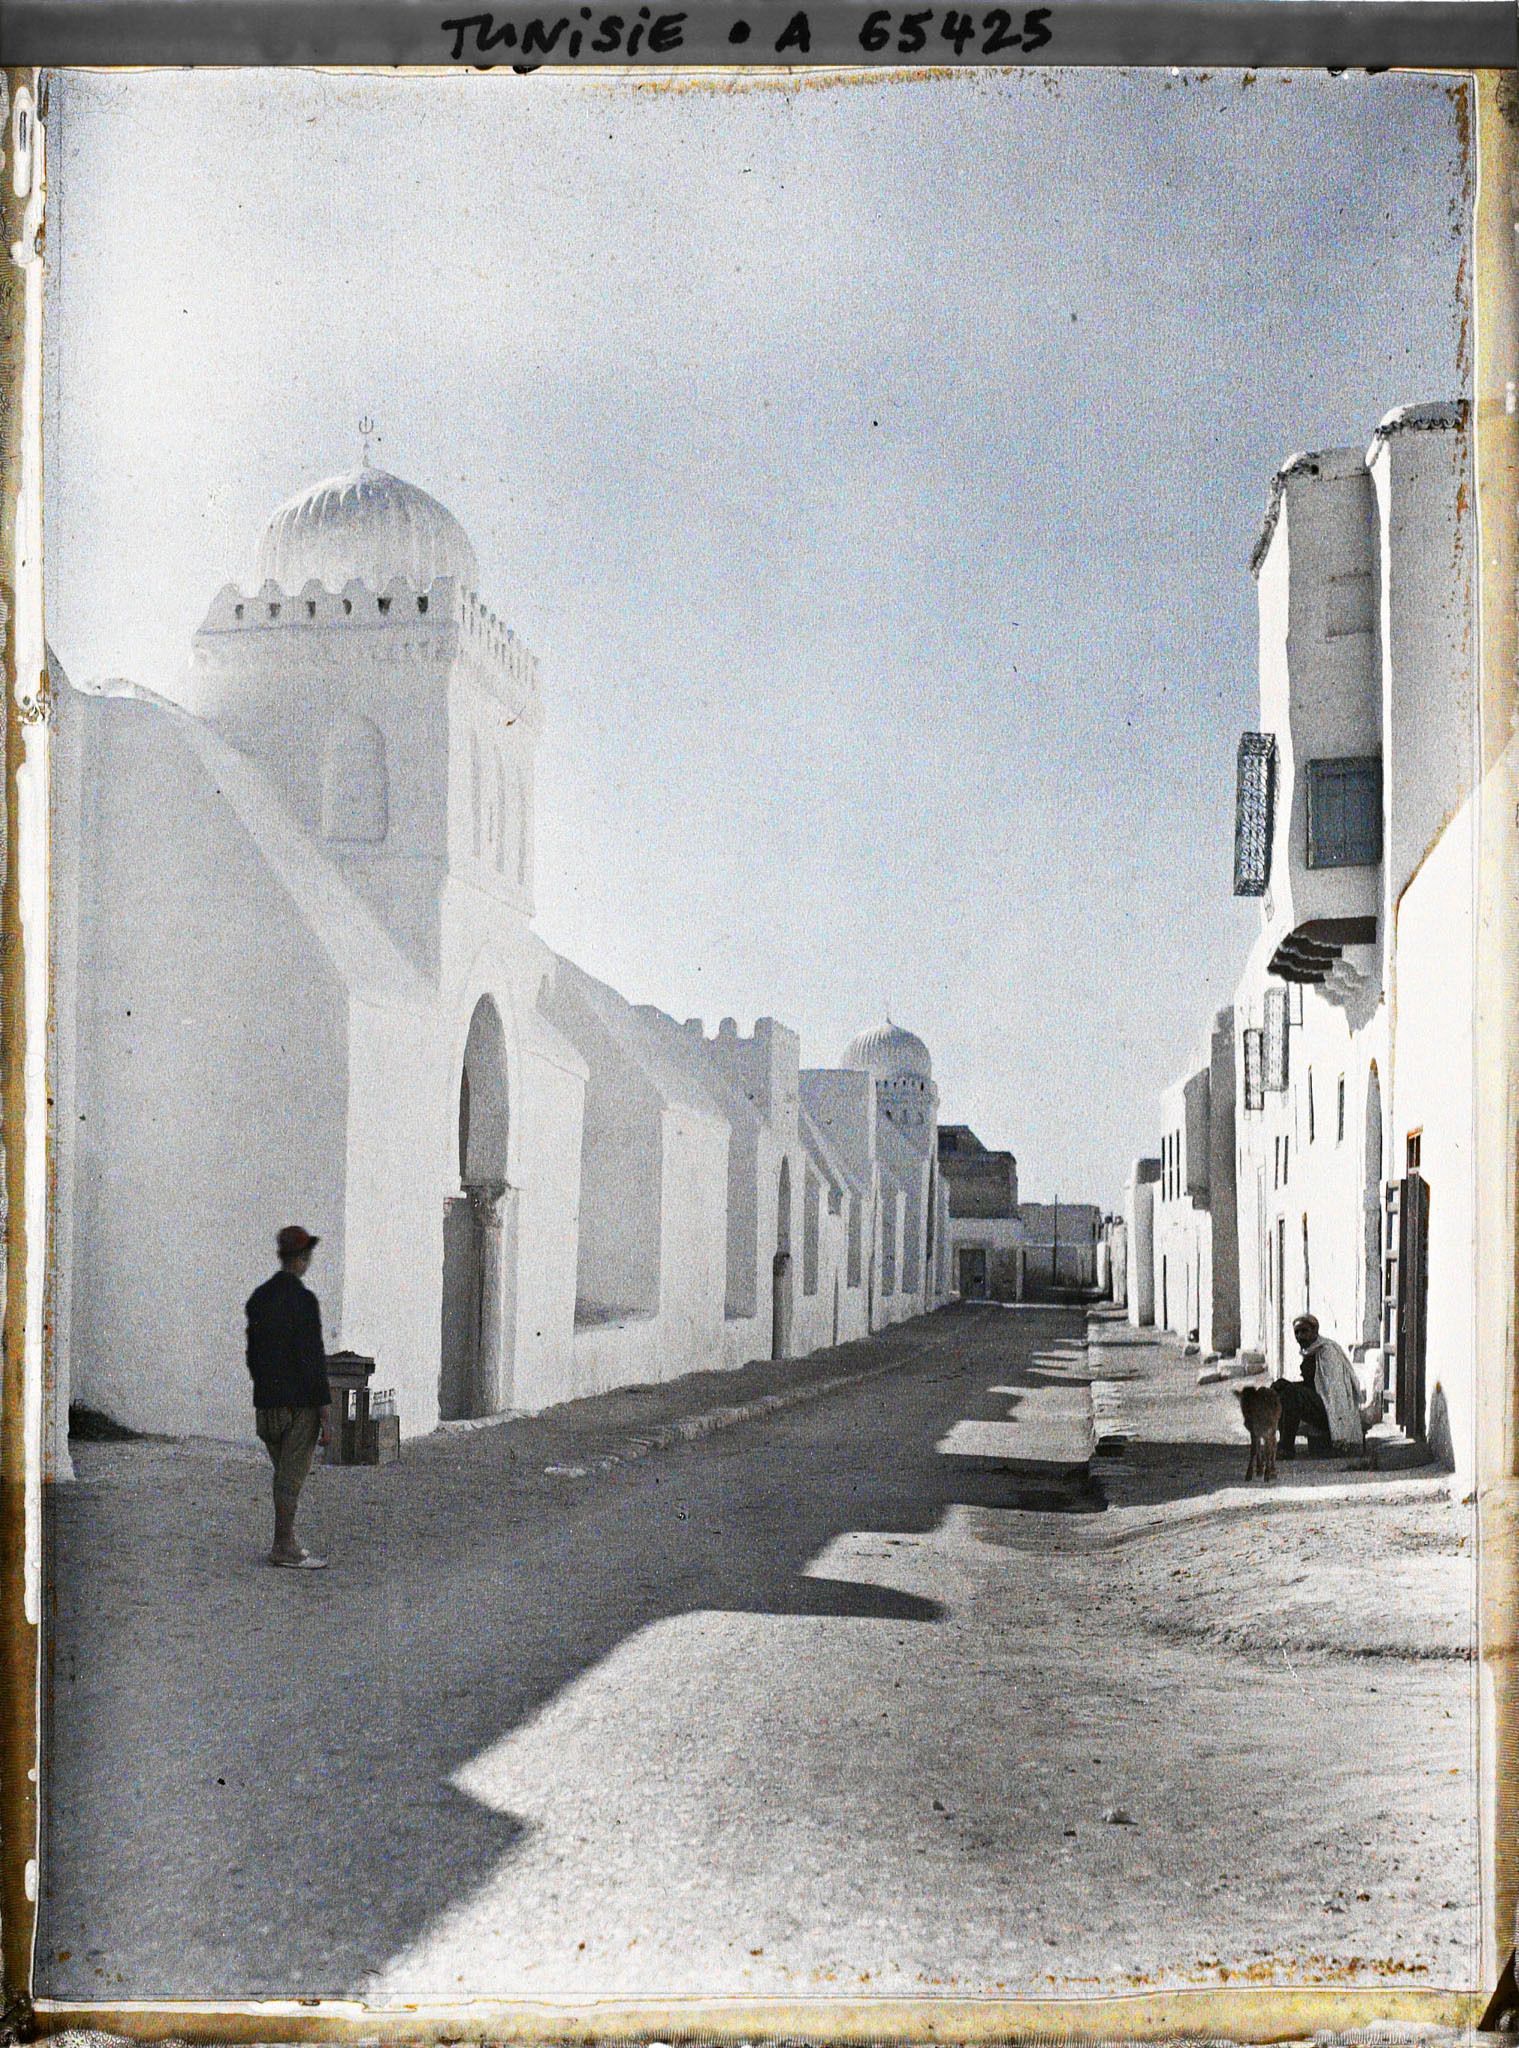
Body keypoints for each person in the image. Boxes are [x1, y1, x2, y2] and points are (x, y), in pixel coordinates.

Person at [246, 1225, 332, 1569]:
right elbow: (313, 1358)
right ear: (300, 1258)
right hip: (299, 1406)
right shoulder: (304, 1301)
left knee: (283, 1473)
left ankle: (287, 1541)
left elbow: (252, 1356)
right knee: (291, 1478)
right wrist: (325, 1412)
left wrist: (267, 1390)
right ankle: (284, 1545)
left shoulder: (259, 1298)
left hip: (267, 1405)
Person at [1290, 1312, 1366, 1454]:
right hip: (1319, 1403)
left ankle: (1286, 1447)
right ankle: (1281, 1445)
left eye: (1304, 1331)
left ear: (1315, 1331)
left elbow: (1334, 1390)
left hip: (1330, 1409)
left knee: (1291, 1393)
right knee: (1281, 1388)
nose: (1300, 1336)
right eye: (1297, 1332)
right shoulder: (1309, 1351)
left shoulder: (1327, 1351)